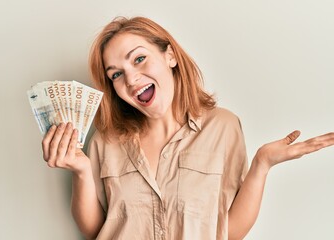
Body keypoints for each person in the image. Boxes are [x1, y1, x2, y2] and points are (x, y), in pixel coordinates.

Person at [41, 16, 334, 240]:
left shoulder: (223, 126)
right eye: (117, 74)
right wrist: (81, 172)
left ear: (170, 56)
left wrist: (261, 164)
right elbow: (95, 231)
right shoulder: (105, 140)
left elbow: (227, 232)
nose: (131, 80)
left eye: (139, 59)